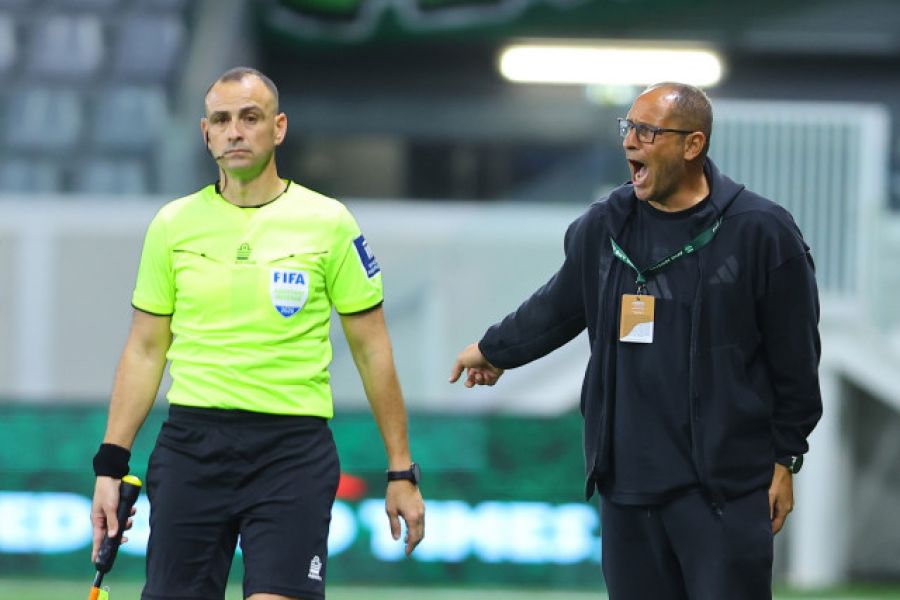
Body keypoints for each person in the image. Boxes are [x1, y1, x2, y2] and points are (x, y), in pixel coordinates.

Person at [450, 82, 822, 599]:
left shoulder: (760, 231)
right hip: (627, 490)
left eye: (647, 131)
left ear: (692, 144)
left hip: (724, 491)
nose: (630, 141)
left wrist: (786, 458)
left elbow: (796, 358)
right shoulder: (606, 224)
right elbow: (559, 304)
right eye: (629, 127)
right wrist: (495, 350)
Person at [90, 66, 425, 600]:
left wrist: (401, 472)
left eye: (250, 117)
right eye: (222, 120)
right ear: (205, 133)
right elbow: (145, 350)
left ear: (279, 127)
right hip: (192, 448)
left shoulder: (329, 221)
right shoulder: (172, 225)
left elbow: (373, 349)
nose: (235, 131)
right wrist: (111, 465)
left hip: (291, 453)